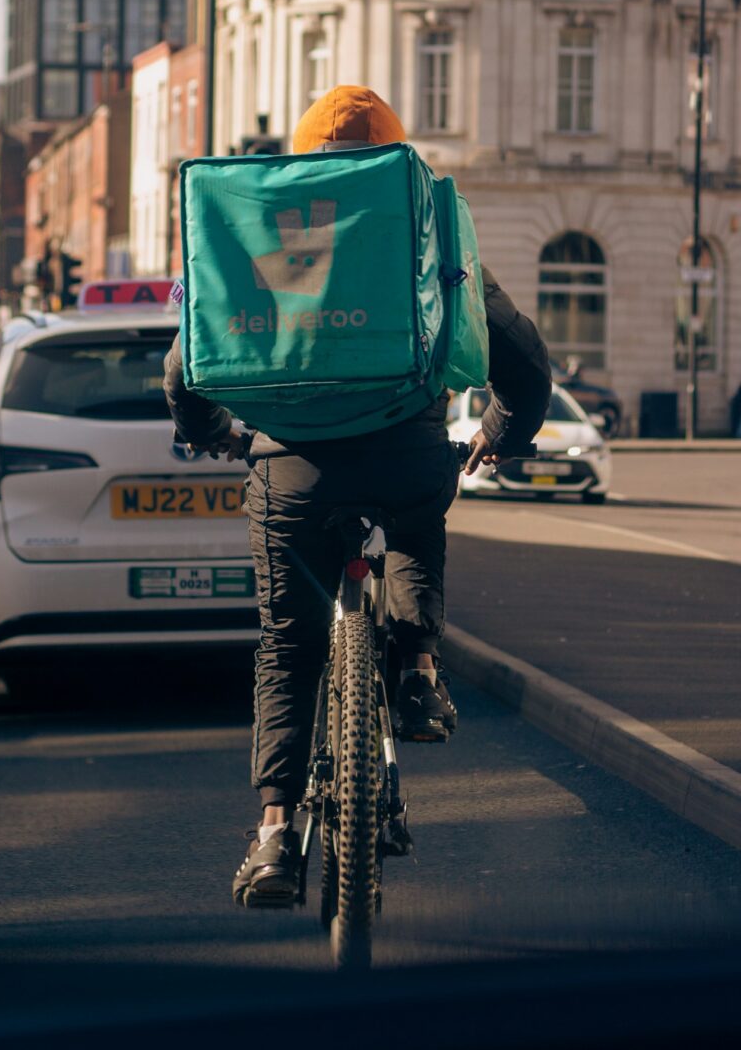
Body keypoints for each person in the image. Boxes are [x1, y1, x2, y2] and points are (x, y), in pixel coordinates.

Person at [163, 85, 552, 908]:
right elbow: (523, 360)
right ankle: (418, 672)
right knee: (415, 518)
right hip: (405, 455)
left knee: (286, 644)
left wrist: (214, 432)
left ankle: (275, 833)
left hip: (290, 471)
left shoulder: (262, 230)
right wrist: (498, 434)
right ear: (395, 160)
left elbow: (185, 364)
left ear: (302, 163)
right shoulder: (422, 228)